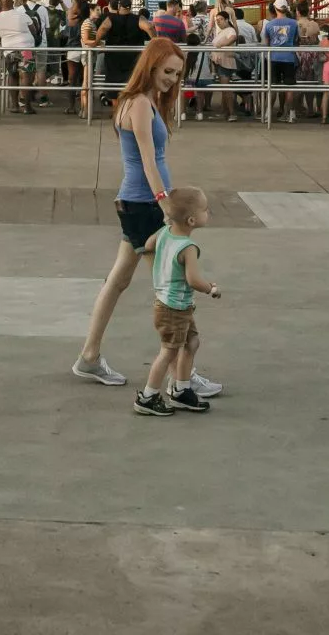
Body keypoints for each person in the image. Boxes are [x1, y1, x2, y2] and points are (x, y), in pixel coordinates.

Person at [73, 40, 221, 399]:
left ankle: (90, 356)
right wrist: (166, 204)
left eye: (177, 74)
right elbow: (148, 161)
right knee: (174, 287)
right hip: (144, 205)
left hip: (140, 203)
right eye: (167, 71)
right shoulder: (138, 103)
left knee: (119, 280)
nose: (172, 79)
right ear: (150, 66)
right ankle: (182, 374)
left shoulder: (145, 101)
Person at [135, 185, 222, 418]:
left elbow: (149, 245)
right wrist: (211, 288)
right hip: (174, 308)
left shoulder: (165, 233)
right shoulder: (188, 247)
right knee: (168, 352)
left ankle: (181, 390)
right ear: (192, 220)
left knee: (191, 342)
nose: (208, 212)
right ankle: (148, 397)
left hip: (170, 305)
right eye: (205, 209)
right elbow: (193, 280)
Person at [100, 0, 150, 95]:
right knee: (132, 91)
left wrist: (96, 41)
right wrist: (155, 41)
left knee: (114, 93)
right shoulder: (139, 19)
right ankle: (128, 110)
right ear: (130, 6)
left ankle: (117, 111)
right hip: (133, 59)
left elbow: (103, 28)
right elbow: (149, 27)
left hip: (113, 60)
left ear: (119, 6)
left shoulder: (111, 18)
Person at [261, 0, 300, 121]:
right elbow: (296, 40)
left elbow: (266, 43)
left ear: (275, 9)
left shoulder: (269, 24)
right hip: (289, 58)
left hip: (273, 57)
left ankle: (268, 114)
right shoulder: (294, 23)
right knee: (289, 88)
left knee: (271, 87)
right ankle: (291, 114)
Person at [64, 0, 91, 115]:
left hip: (73, 50)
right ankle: (83, 107)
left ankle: (71, 106)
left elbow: (66, 34)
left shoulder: (72, 22)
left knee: (72, 79)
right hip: (86, 50)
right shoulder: (88, 22)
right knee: (84, 79)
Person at [294, 0, 321, 118]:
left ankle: (297, 108)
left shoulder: (295, 24)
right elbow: (317, 40)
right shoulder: (314, 24)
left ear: (298, 12)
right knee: (310, 83)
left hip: (299, 54)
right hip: (313, 55)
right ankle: (310, 109)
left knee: (298, 82)